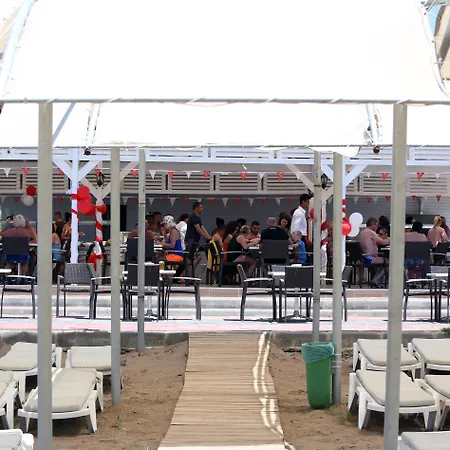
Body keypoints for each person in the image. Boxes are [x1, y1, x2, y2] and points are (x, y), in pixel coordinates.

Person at [359, 217, 390, 288]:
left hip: (364, 257)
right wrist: (390, 239)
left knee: (383, 263)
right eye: (377, 225)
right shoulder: (371, 232)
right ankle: (377, 280)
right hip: (370, 258)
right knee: (389, 262)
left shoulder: (363, 232)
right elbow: (382, 242)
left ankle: (376, 280)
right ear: (373, 224)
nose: (377, 227)